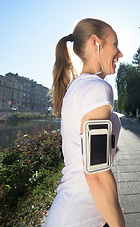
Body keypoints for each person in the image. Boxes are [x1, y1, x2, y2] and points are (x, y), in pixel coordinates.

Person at [45, 18, 125, 227]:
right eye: (115, 44)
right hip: (78, 218)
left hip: (82, 214)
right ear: (95, 42)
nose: (120, 53)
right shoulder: (96, 89)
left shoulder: (78, 87)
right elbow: (97, 173)